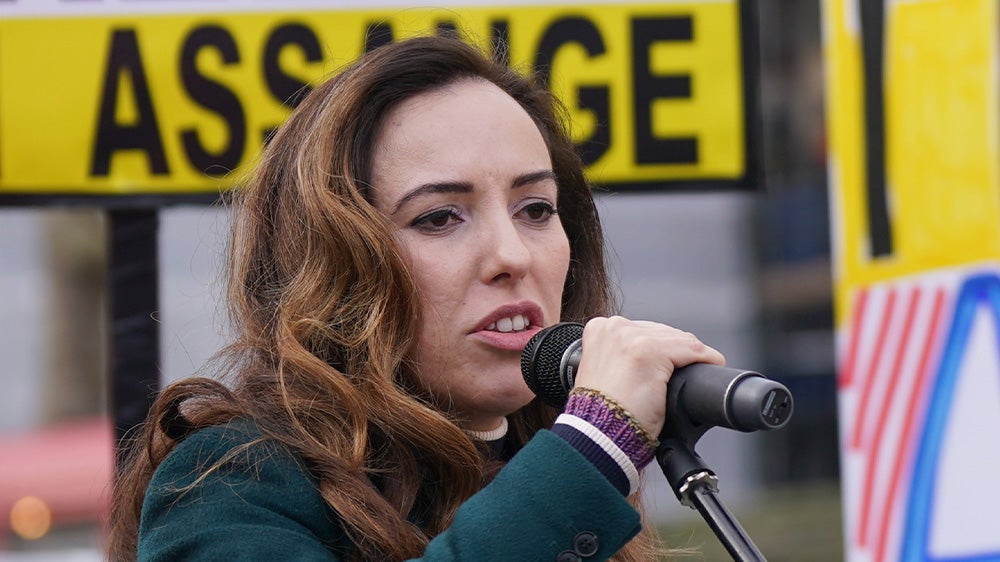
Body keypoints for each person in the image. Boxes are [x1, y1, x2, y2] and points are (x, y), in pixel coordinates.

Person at [108, 34, 725, 561]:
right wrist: (591, 451)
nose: (512, 255)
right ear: (333, 265)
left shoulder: (553, 470)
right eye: (438, 218)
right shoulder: (230, 483)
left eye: (536, 208)